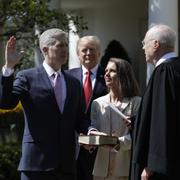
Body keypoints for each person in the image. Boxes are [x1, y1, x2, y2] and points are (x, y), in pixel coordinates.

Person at [0, 28, 88, 180]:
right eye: (60, 45)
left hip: (66, 167)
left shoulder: (74, 83)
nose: (65, 49)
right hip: (36, 165)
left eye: (66, 45)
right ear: (45, 49)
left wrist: (91, 130)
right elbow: (6, 103)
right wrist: (9, 68)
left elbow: (80, 118)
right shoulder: (27, 77)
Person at [130, 24, 180, 180]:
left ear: (156, 44)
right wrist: (136, 122)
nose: (143, 48)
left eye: (145, 43)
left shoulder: (164, 72)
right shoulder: (175, 69)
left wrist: (152, 164)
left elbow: (162, 118)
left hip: (161, 170)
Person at [89, 58, 141, 180]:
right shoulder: (97, 103)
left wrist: (117, 142)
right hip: (100, 170)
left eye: (112, 71)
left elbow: (138, 136)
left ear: (123, 75)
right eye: (106, 70)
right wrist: (91, 137)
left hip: (124, 168)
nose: (106, 74)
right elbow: (94, 128)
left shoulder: (137, 103)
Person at [67, 35, 107, 180]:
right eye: (84, 50)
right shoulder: (68, 76)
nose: (88, 53)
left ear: (99, 53)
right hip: (73, 144)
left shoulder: (109, 76)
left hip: (100, 143)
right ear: (78, 54)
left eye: (92, 49)